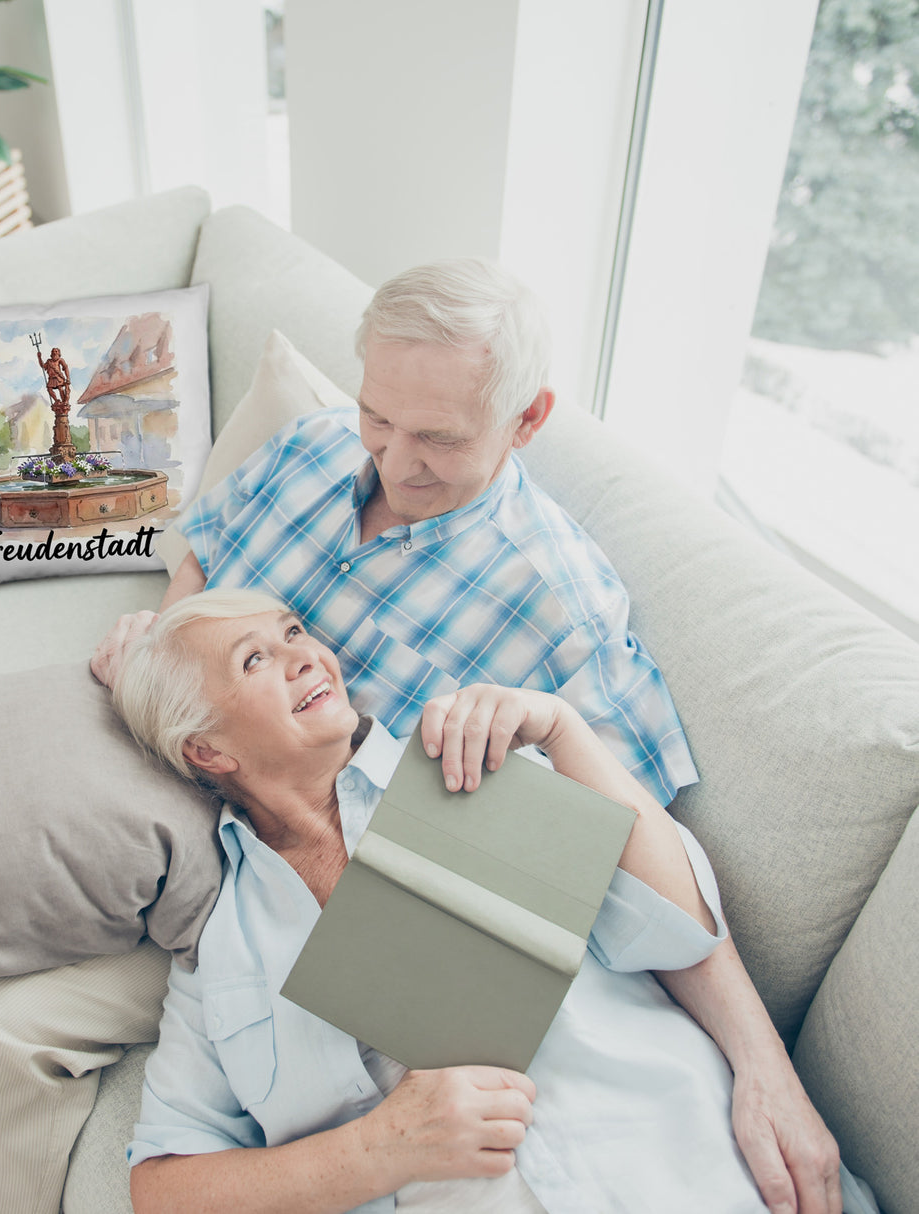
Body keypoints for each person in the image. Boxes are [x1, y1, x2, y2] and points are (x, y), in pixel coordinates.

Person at [93, 259, 842, 1212]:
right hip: (200, 838)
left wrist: (765, 1068)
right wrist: (163, 659)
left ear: (527, 420)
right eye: (378, 417)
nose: (394, 461)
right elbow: (205, 555)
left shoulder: (535, 662)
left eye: (438, 438)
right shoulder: (311, 450)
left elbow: (647, 883)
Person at [112, 589, 867, 1214]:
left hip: (686, 1165)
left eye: (294, 632)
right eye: (254, 659)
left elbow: (680, 929)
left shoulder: (469, 764)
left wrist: (563, 730)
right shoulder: (221, 949)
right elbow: (163, 1188)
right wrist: (378, 1149)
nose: (305, 655)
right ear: (207, 750)